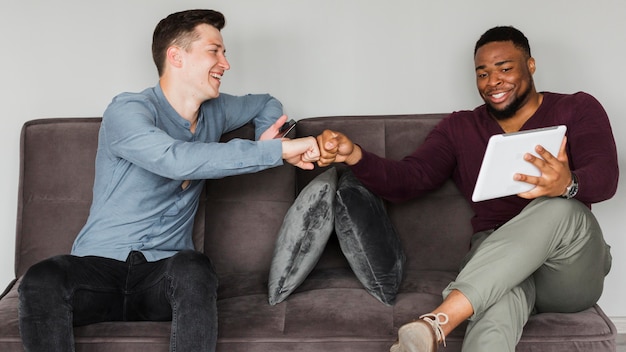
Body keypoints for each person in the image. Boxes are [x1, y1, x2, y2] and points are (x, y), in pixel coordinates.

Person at [18, 9, 320, 352]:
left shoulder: (216, 111)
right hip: (99, 270)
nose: (226, 63)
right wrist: (273, 153)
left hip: (162, 277)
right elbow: (174, 160)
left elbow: (266, 102)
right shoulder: (128, 111)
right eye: (214, 51)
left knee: (195, 268)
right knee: (41, 278)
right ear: (176, 56)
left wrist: (270, 138)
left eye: (225, 52)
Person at [316, 26, 617, 352]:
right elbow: (409, 180)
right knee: (494, 306)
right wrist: (355, 156)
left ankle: (437, 322)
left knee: (559, 207)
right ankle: (437, 325)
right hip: (495, 260)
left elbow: (606, 178)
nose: (493, 81)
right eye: (483, 74)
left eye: (505, 68)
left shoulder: (577, 108)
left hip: (567, 267)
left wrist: (567, 183)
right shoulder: (460, 128)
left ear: (530, 65)